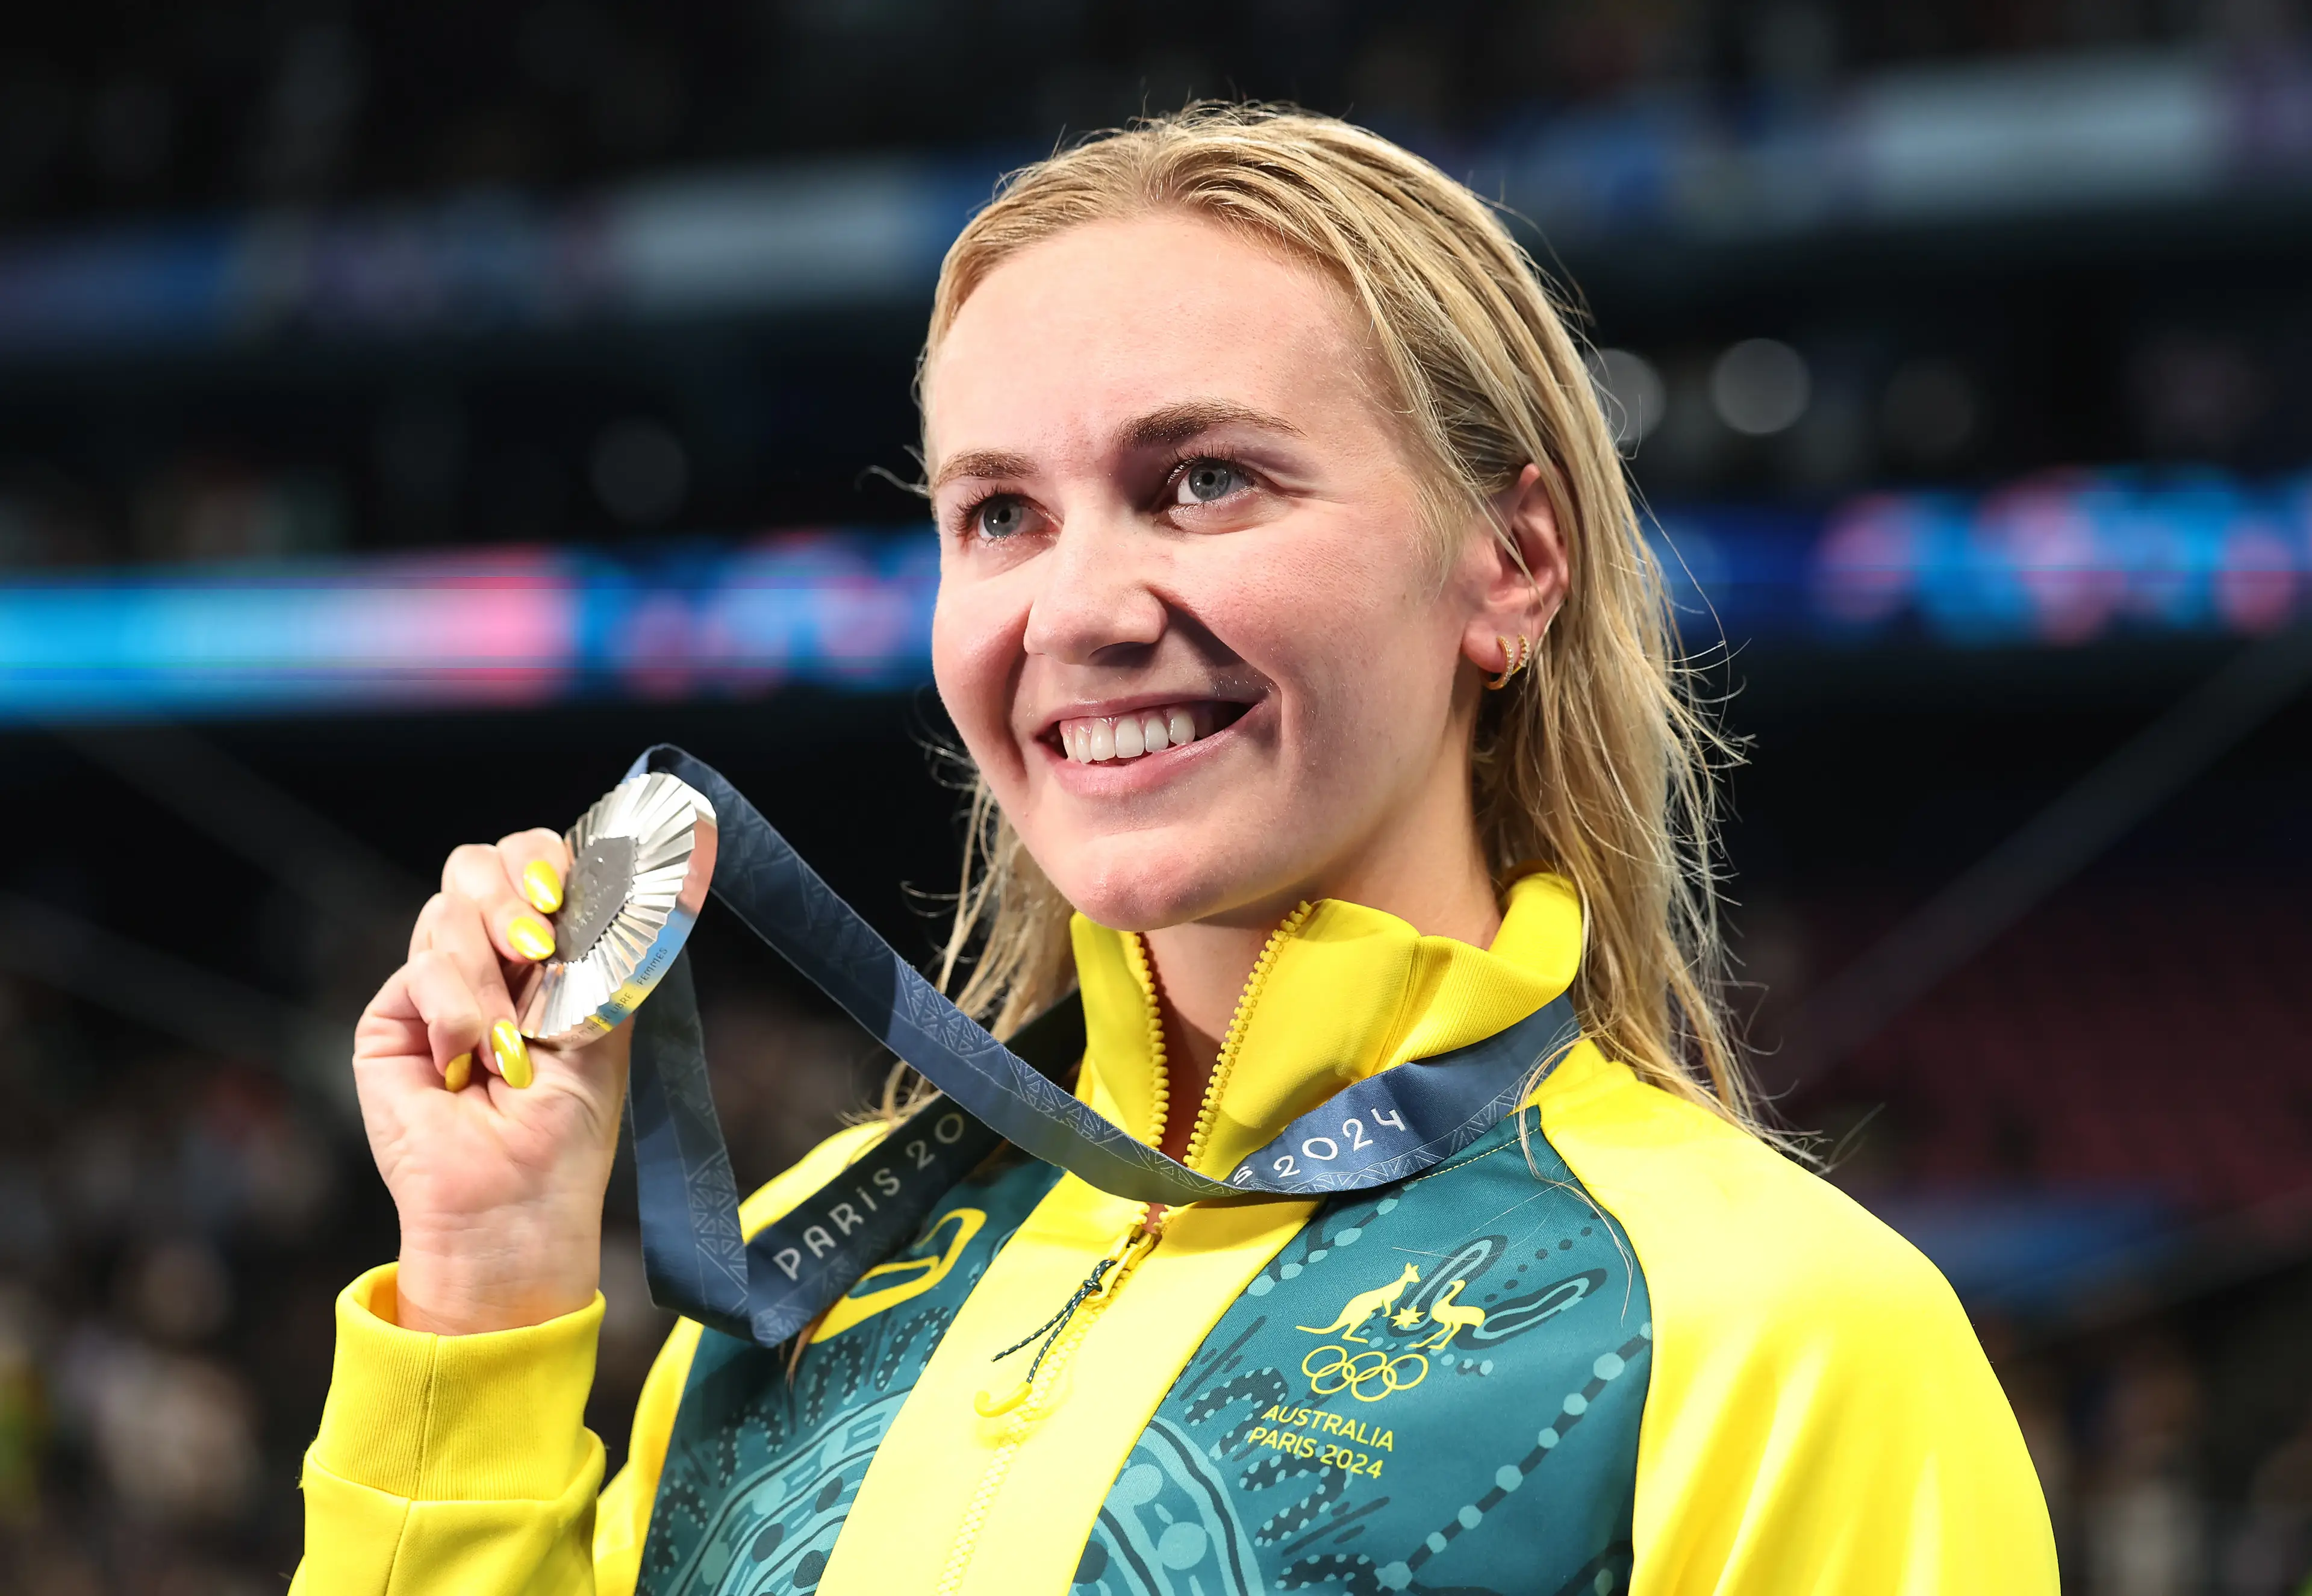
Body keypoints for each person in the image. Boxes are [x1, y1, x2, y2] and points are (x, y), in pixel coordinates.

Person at [293, 105, 2058, 1595]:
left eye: (1206, 479)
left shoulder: (1778, 1334)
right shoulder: (792, 1277)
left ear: (1511, 561)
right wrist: (486, 1280)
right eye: (999, 513)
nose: (1078, 609)